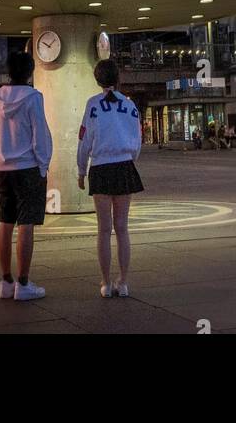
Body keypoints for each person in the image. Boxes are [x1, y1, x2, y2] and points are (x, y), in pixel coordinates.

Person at [0, 49, 52, 302]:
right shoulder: (34, 97)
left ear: (8, 71)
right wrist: (43, 166)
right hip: (28, 168)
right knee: (26, 223)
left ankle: (6, 281)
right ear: (30, 71)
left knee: (5, 221)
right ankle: (23, 283)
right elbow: (41, 135)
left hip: (3, 168)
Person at [76, 60, 143, 299]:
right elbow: (137, 139)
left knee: (104, 229)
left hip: (101, 167)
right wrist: (130, 158)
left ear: (97, 79)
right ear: (117, 78)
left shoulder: (92, 105)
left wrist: (81, 170)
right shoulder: (130, 105)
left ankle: (105, 283)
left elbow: (84, 139)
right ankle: (123, 282)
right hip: (124, 166)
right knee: (122, 228)